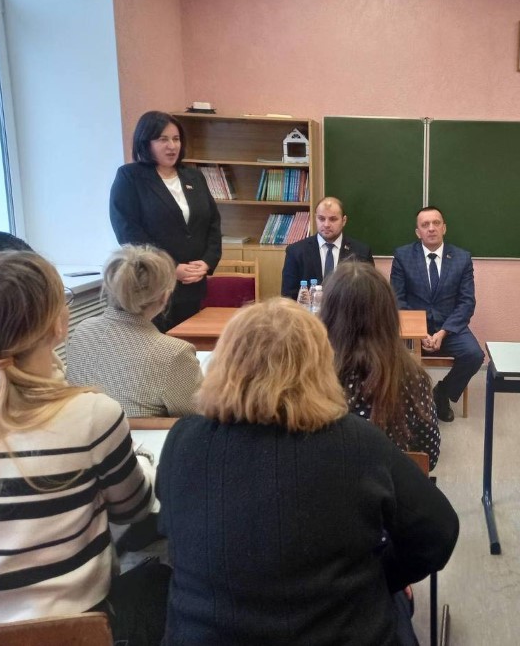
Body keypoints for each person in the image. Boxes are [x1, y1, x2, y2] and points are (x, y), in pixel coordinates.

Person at [156, 298, 459, 645]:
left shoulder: (184, 440)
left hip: (206, 634)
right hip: (344, 631)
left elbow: (169, 530)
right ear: (320, 365)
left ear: (223, 362)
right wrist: (385, 574)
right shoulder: (358, 442)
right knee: (401, 608)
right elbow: (439, 530)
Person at [0, 251, 169, 643]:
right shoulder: (92, 414)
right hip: (78, 627)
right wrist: (138, 459)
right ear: (58, 324)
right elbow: (135, 509)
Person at [321, 262, 442, 469]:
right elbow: (429, 456)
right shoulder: (412, 377)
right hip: (390, 484)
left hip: (325, 484)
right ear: (389, 315)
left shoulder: (309, 374)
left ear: (327, 316)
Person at [110, 110, 222, 332]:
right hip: (153, 286)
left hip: (193, 284)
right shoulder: (130, 177)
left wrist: (207, 262)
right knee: (158, 347)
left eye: (176, 139)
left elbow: (213, 223)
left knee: (189, 345)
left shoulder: (194, 176)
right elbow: (128, 232)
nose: (172, 146)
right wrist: (171, 268)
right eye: (163, 139)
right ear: (146, 142)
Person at [67, 244, 203, 418]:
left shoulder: (83, 330)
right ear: (164, 297)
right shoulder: (174, 352)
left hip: (81, 429)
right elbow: (198, 414)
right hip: (143, 435)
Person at [390, 206, 484, 422]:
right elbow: (396, 299)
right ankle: (408, 402)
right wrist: (419, 333)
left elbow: (467, 302)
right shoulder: (403, 256)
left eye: (436, 223)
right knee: (389, 354)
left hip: (448, 328)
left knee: (474, 355)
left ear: (444, 228)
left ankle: (442, 393)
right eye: (425, 225)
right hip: (413, 330)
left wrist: (442, 333)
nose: (431, 228)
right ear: (418, 232)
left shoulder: (462, 258)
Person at [280, 196, 374, 298]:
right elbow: (288, 296)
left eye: (333, 219)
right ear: (315, 218)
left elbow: (369, 294)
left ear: (344, 221)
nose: (326, 224)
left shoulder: (361, 252)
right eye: (321, 219)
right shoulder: (296, 251)